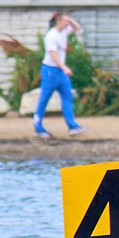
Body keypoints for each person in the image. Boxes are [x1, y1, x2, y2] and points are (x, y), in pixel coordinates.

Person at [33, 10, 82, 140]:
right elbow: (53, 54)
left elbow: (77, 27)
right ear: (59, 21)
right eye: (65, 20)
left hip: (60, 72)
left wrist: (69, 19)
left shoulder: (63, 32)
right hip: (50, 70)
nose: (68, 23)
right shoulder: (51, 36)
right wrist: (64, 67)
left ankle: (73, 126)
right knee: (44, 99)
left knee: (67, 96)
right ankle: (38, 127)